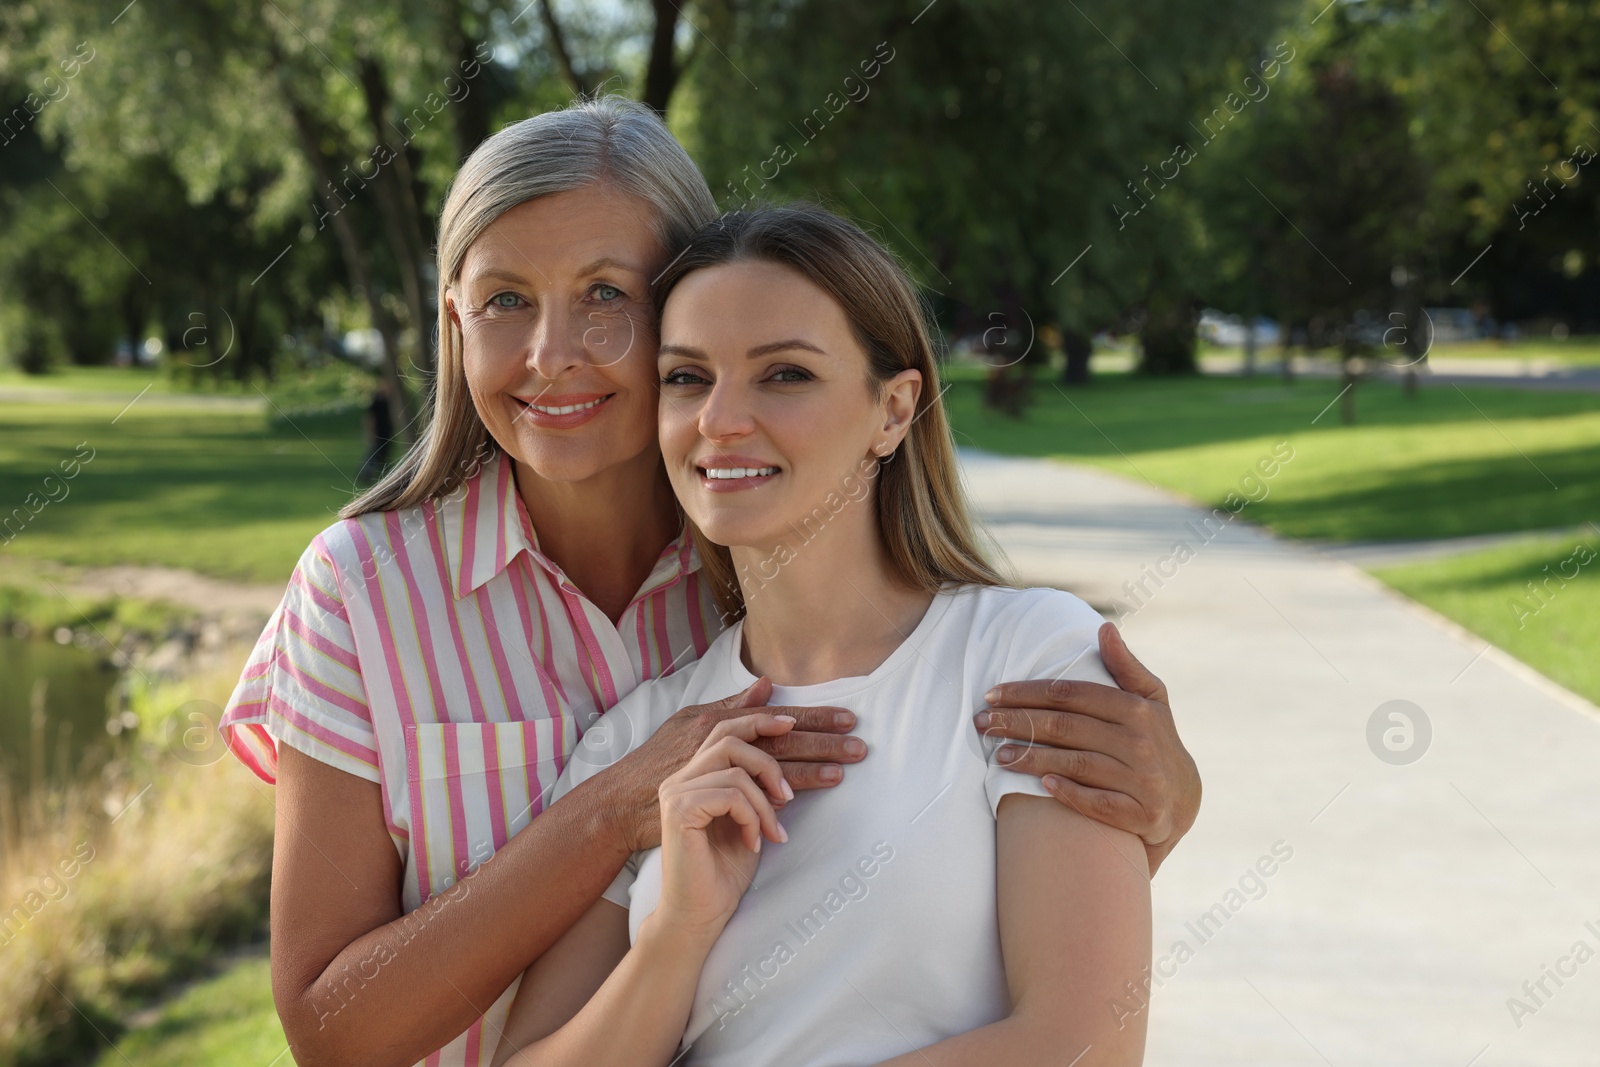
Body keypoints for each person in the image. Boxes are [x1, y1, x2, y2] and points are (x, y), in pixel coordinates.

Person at [219, 97, 1196, 1067]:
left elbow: (1072, 1019)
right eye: (504, 300)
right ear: (454, 319)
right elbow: (331, 1031)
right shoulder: (370, 593)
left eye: (606, 293)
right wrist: (610, 817)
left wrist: (1164, 802)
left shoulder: (813, 576)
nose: (552, 354)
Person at [490, 203, 1150, 1066]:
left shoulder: (1029, 655)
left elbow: (1082, 1044)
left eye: (785, 375)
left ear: (894, 409)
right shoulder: (641, 736)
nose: (720, 419)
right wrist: (677, 936)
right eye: (688, 378)